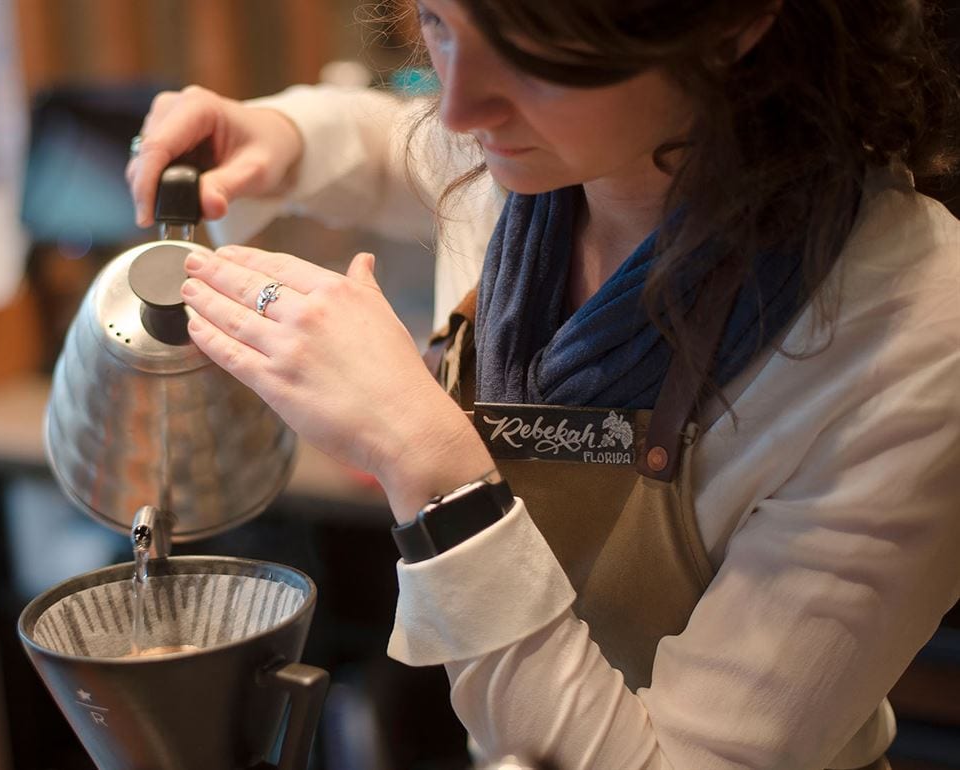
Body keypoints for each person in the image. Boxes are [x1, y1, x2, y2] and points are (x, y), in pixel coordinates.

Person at [125, 1, 960, 767]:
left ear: (733, 21)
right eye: (438, 21)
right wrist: (280, 131)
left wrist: (429, 464)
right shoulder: (529, 155)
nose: (460, 106)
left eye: (536, 53)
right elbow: (401, 142)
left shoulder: (913, 331)